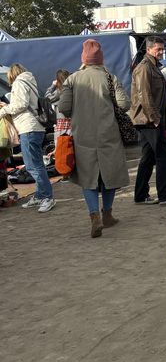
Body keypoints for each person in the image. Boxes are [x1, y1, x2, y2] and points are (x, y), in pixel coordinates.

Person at [58, 40, 131, 235]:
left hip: (83, 135)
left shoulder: (72, 79)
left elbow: (63, 108)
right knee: (110, 175)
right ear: (101, 59)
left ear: (83, 58)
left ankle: (94, 217)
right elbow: (124, 105)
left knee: (87, 178)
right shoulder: (110, 77)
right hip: (109, 134)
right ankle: (107, 215)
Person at [0, 64, 55, 212]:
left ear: (12, 74)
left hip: (28, 127)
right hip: (34, 127)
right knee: (37, 164)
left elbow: (21, 104)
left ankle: (47, 197)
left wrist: (4, 109)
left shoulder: (19, 83)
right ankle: (40, 195)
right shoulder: (29, 81)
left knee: (32, 166)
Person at [129, 36, 166, 204]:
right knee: (163, 156)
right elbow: (144, 95)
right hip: (148, 119)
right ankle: (164, 194)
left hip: (149, 118)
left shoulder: (152, 66)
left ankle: (140, 195)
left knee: (148, 157)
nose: (161, 52)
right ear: (148, 49)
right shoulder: (144, 68)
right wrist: (154, 118)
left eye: (162, 49)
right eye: (158, 49)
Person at [45, 69, 71, 139]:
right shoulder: (73, 89)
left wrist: (53, 86)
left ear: (58, 80)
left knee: (61, 145)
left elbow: (47, 98)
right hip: (73, 122)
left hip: (62, 122)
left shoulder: (59, 91)